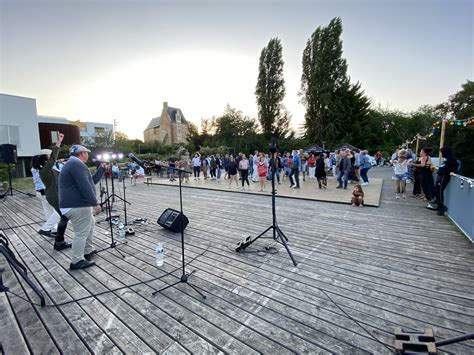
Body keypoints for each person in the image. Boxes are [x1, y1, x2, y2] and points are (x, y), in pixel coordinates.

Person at [59, 145, 105, 270]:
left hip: (75, 205)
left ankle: (87, 250)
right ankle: (77, 260)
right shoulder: (76, 165)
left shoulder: (72, 164)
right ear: (82, 153)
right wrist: (95, 203)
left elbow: (90, 182)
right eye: (87, 153)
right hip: (77, 205)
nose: (88, 155)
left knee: (90, 224)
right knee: (81, 232)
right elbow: (85, 186)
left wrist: (101, 170)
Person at [39, 133, 72, 251]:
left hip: (56, 194)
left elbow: (55, 164)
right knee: (64, 216)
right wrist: (58, 143)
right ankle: (59, 242)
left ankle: (59, 241)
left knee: (64, 216)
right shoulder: (44, 170)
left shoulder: (50, 168)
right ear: (45, 159)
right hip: (54, 195)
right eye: (48, 157)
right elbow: (53, 159)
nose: (51, 158)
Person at [31, 150, 60, 237]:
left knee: (49, 212)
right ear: (45, 160)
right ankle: (46, 228)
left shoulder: (35, 168)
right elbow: (54, 169)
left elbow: (50, 165)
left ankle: (53, 229)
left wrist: (57, 162)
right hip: (46, 192)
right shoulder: (44, 169)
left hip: (39, 192)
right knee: (60, 211)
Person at [427, 146, 459, 215]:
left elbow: (456, 165)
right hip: (440, 175)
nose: (440, 153)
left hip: (444, 177)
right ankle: (439, 206)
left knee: (439, 191)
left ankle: (442, 207)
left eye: (441, 152)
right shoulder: (446, 159)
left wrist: (454, 172)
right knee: (437, 191)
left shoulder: (452, 159)